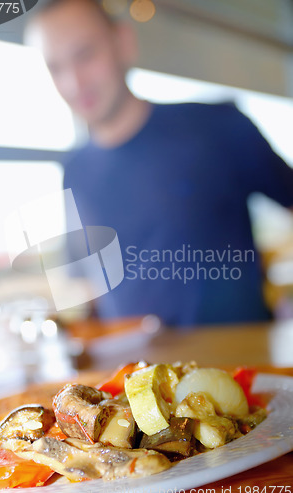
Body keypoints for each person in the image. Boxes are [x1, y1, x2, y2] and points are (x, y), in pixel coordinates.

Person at [29, 0, 293, 326]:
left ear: (123, 43)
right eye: (56, 67)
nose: (74, 82)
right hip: (136, 373)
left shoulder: (218, 127)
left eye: (85, 54)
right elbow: (89, 290)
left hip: (238, 368)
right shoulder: (75, 171)